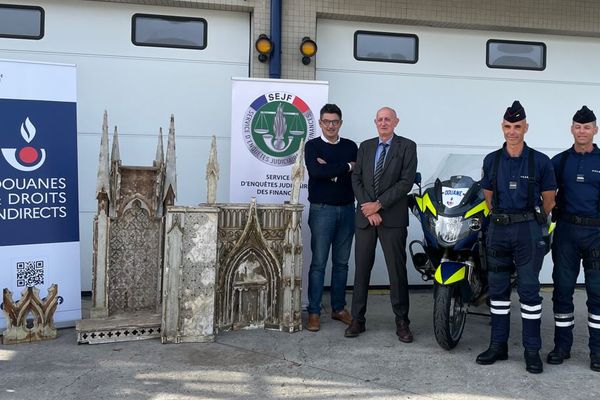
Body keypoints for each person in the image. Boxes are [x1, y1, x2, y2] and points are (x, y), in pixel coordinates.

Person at [477, 100, 556, 374]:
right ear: (502, 127)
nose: (512, 131)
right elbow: (488, 199)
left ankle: (531, 350)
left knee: (529, 292)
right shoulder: (491, 160)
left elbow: (548, 202)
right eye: (508, 126)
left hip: (527, 231)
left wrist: (526, 221)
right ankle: (498, 345)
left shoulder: (540, 161)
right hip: (498, 230)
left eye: (517, 126)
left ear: (526, 128)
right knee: (497, 292)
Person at [345, 106, 417, 342]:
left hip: (392, 218)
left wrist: (379, 205)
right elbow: (356, 178)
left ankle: (402, 321)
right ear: (375, 122)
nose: (383, 123)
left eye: (388, 119)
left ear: (396, 122)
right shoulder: (365, 146)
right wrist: (368, 207)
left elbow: (406, 182)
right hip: (366, 218)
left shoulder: (407, 146)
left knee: (397, 272)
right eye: (380, 119)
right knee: (361, 269)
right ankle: (358, 319)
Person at [548, 105, 600, 372]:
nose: (582, 131)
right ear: (572, 129)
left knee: (598, 294)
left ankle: (598, 352)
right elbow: (546, 195)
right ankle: (562, 346)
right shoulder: (559, 161)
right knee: (563, 290)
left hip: (596, 234)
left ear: (595, 130)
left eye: (587, 127)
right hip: (566, 231)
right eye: (578, 127)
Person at [304, 103, 358, 332]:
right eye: (326, 121)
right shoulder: (312, 146)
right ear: (320, 123)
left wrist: (331, 168)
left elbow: (355, 174)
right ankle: (314, 312)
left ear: (340, 123)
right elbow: (316, 172)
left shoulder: (350, 146)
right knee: (318, 263)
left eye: (335, 121)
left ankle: (338, 308)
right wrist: (345, 166)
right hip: (322, 210)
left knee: (342, 264)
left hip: (347, 209)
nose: (331, 126)